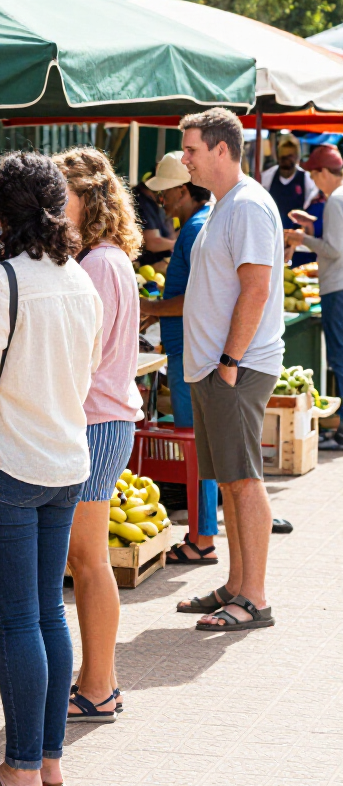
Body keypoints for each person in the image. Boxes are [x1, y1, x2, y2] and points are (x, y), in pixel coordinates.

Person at [0, 152, 103, 786]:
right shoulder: (81, 281)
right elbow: (84, 377)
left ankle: (18, 770)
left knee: (15, 624)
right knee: (45, 615)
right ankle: (50, 761)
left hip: (7, 469)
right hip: (65, 464)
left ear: (1, 215)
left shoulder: (0, 282)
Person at [177, 109, 284, 631]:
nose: (184, 159)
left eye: (192, 149)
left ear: (223, 148)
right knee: (229, 480)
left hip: (235, 368)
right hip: (217, 369)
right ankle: (237, 586)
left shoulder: (245, 206)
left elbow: (256, 288)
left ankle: (254, 598)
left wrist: (229, 362)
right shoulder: (226, 205)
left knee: (243, 481)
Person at [53, 146, 142, 723]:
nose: (54, 207)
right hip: (105, 420)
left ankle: (100, 684)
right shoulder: (106, 260)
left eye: (61, 196)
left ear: (87, 199)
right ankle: (96, 679)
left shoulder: (100, 265)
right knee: (88, 560)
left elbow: (82, 357)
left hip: (98, 422)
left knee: (88, 560)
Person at [138, 155, 221, 562]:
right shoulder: (196, 225)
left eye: (166, 192)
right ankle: (202, 533)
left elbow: (193, 301)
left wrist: (147, 306)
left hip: (190, 351)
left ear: (184, 191)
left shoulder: (194, 230)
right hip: (187, 348)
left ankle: (202, 539)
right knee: (198, 445)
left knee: (195, 446)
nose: (161, 199)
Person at [285, 144, 343, 448]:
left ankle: (342, 430)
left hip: (337, 289)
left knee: (339, 358)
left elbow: (333, 249)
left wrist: (300, 237)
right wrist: (310, 228)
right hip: (336, 285)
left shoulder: (335, 200)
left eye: (314, 174)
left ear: (323, 173)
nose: (313, 181)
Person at [262, 132, 318, 232]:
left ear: (296, 157)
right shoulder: (267, 177)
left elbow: (310, 213)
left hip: (296, 236)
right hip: (271, 232)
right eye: (283, 156)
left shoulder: (307, 179)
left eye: (290, 156)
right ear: (278, 156)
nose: (286, 160)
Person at [133, 173, 176, 271]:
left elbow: (171, 235)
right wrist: (180, 244)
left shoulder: (156, 204)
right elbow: (153, 242)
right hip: (146, 268)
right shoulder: (142, 201)